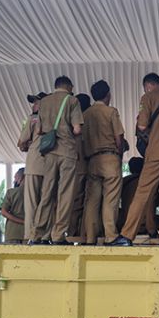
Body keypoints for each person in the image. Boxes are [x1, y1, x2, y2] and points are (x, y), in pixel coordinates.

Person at [109, 73, 159, 247]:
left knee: (143, 193)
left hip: (158, 153)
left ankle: (127, 235)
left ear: (148, 86)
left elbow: (142, 125)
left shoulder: (148, 97)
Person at [32, 76, 84, 245]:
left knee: (46, 193)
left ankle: (38, 234)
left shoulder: (44, 102)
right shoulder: (72, 100)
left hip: (49, 153)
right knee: (65, 194)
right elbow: (77, 129)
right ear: (69, 87)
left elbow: (38, 130)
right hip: (67, 152)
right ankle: (58, 235)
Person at [82, 80, 125, 245]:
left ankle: (90, 238)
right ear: (108, 95)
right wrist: (119, 155)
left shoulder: (85, 114)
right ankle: (110, 236)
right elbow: (118, 137)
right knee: (110, 199)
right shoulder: (111, 112)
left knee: (92, 201)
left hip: (92, 160)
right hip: (109, 157)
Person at [18, 92, 52, 244]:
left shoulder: (32, 119)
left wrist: (28, 144)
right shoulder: (55, 119)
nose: (33, 105)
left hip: (33, 164)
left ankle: (31, 236)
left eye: (36, 102)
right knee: (48, 201)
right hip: (50, 165)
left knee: (31, 202)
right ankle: (45, 235)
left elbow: (21, 142)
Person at [117, 157, 159, 237]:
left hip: (125, 223)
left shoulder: (123, 183)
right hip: (145, 225)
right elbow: (155, 203)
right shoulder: (148, 183)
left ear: (130, 169)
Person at [69, 93, 92, 238]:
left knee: (75, 201)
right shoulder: (89, 120)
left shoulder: (73, 121)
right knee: (89, 201)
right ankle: (86, 233)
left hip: (77, 166)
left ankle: (72, 233)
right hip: (89, 164)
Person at [1, 168, 26, 243]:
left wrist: (21, 221)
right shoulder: (38, 194)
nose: (14, 181)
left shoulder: (11, 192)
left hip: (12, 233)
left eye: (15, 178)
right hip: (30, 233)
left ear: (21, 177)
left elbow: (3, 212)